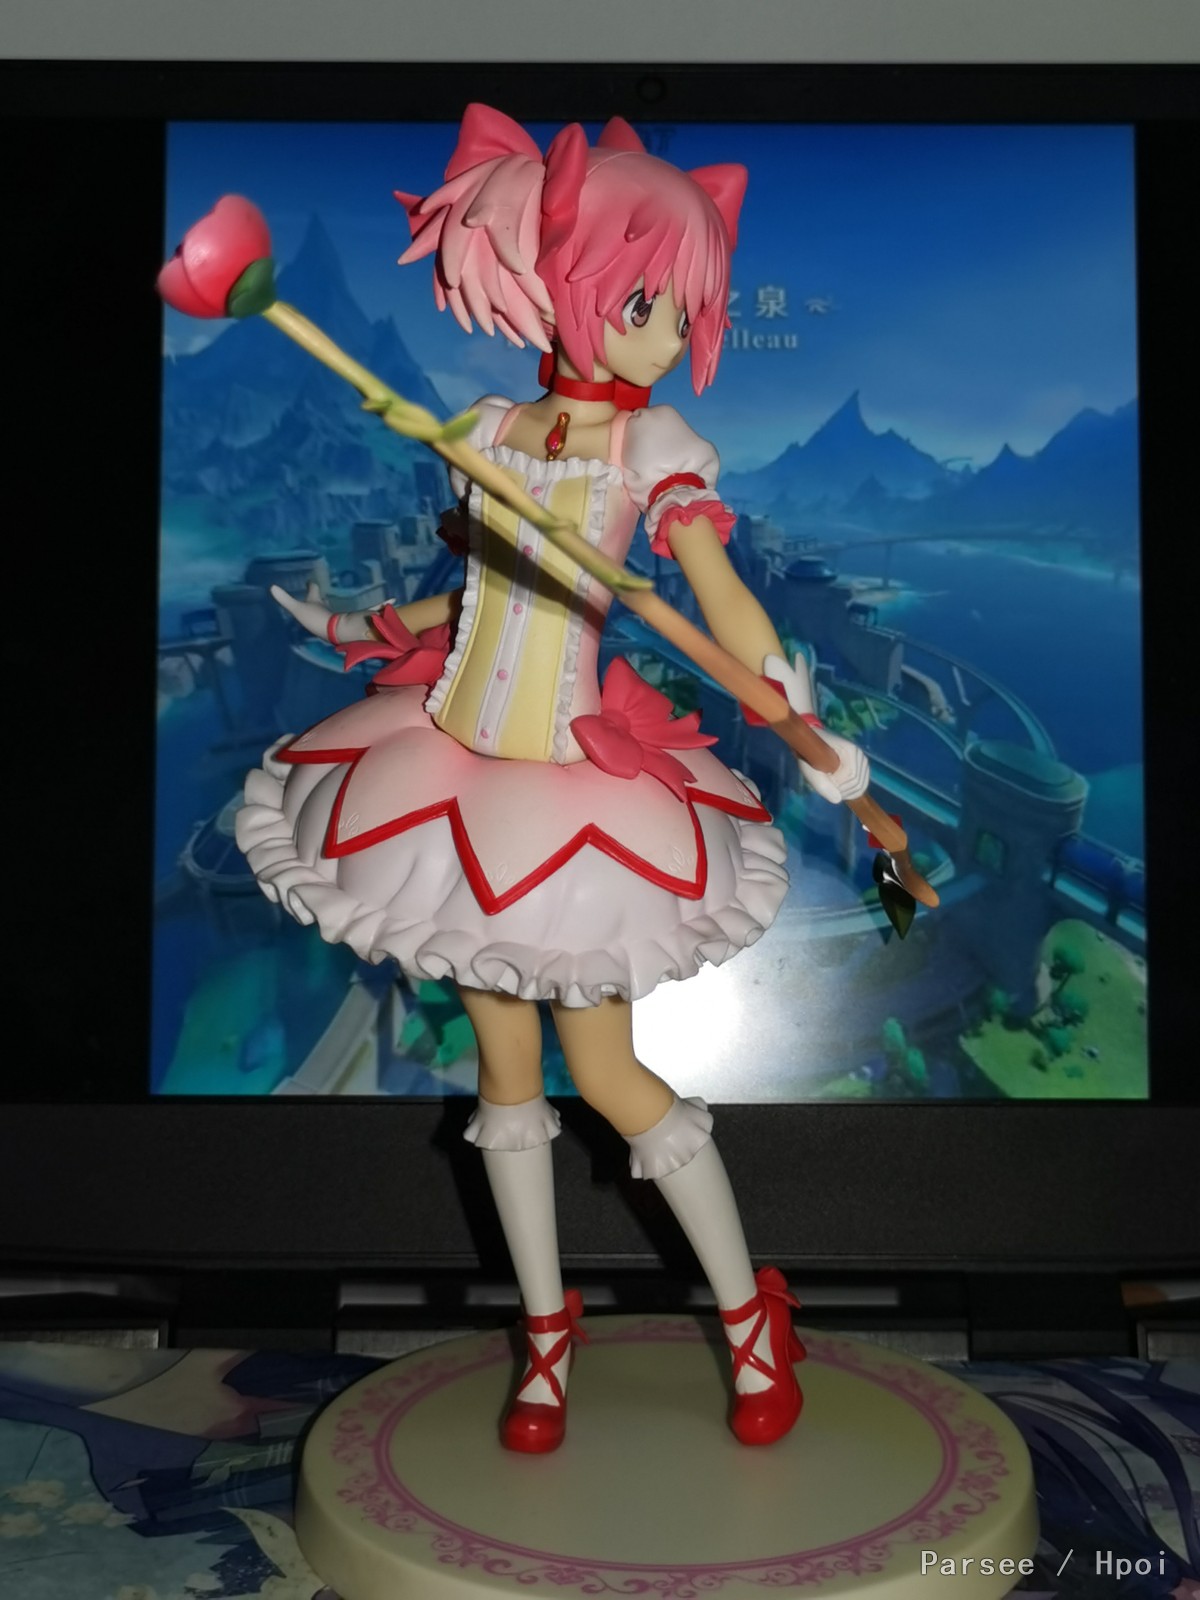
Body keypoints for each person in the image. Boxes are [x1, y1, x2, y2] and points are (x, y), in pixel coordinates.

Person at [236, 104, 869, 1453]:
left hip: (575, 794)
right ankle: (543, 1338)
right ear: (555, 280)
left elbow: (720, 599)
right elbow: (473, 596)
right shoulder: (489, 427)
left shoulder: (658, 453)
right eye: (646, 300)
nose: (668, 331)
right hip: (455, 779)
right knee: (505, 1080)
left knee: (611, 1071)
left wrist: (792, 698)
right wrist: (366, 630)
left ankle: (751, 1316)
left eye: (679, 307)